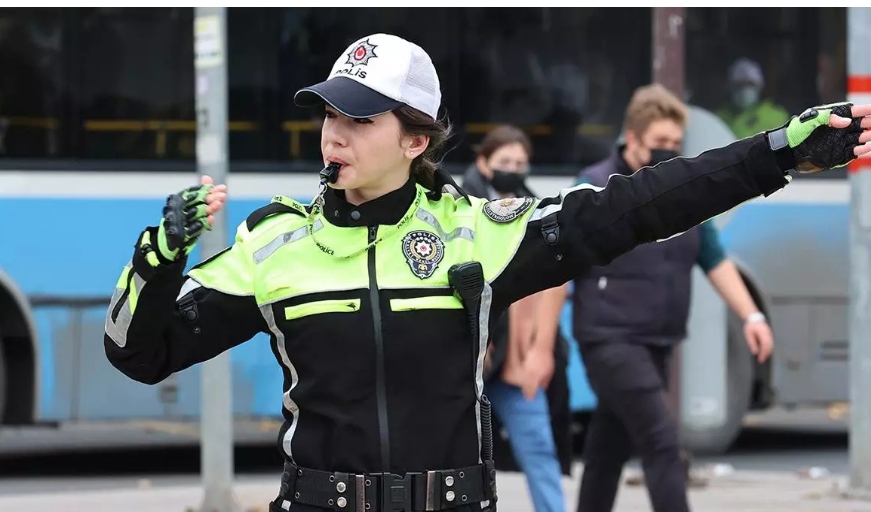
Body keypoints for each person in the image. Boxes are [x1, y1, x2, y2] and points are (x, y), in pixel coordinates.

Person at [102, 31, 871, 512]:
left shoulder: (477, 232)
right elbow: (141, 354)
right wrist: (157, 261)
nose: (334, 135)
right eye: (329, 115)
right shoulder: (274, 246)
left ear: (414, 141)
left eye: (359, 119)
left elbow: (641, 205)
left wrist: (775, 155)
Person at [570, 83, 778, 512]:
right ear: (632, 138)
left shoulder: (680, 196)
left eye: (675, 144)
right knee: (662, 442)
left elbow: (714, 259)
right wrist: (535, 348)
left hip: (658, 341)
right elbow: (557, 269)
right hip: (609, 338)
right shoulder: (593, 187)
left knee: (608, 448)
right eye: (658, 143)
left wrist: (752, 317)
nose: (668, 151)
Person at [461, 125, 571, 512]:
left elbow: (553, 284)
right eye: (504, 162)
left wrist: (539, 352)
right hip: (465, 360)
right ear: (483, 163)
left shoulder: (536, 211)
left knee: (539, 446)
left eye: (520, 163)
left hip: (515, 361)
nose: (513, 169)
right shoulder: (458, 207)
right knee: (455, 462)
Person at [715, 57, 790, 139]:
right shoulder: (718, 117)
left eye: (749, 84)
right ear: (730, 87)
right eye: (739, 85)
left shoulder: (777, 116)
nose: (744, 90)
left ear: (759, 86)